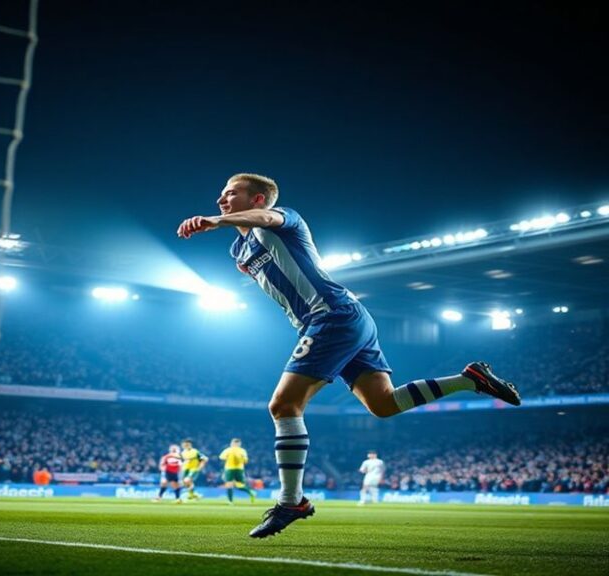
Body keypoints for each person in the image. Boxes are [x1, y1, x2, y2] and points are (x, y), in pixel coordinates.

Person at [177, 173, 521, 538]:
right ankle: (469, 379)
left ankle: (291, 501)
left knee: (283, 406)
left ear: (259, 199)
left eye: (231, 194)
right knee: (383, 404)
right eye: (221, 196)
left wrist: (218, 221)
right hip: (343, 319)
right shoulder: (238, 252)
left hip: (331, 316)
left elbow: (265, 221)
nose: (221, 200)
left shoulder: (284, 218)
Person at [219, 438, 256, 504]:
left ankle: (230, 501)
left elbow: (221, 457)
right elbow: (246, 461)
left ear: (231, 443)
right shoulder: (242, 451)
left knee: (229, 484)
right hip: (239, 469)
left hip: (229, 469)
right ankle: (250, 492)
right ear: (239, 444)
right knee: (239, 485)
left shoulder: (228, 450)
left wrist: (229, 458)